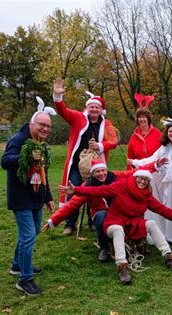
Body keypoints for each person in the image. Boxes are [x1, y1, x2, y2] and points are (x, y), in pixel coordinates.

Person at [59, 170, 172, 285]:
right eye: (141, 178)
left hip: (133, 224)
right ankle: (122, 266)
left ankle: (168, 257)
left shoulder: (146, 195)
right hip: (114, 222)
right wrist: (76, 189)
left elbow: (162, 209)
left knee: (151, 224)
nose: (143, 182)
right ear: (136, 178)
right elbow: (98, 190)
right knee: (118, 229)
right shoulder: (121, 185)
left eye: (146, 180)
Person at [42, 159, 154, 262]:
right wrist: (53, 220)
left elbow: (135, 173)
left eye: (103, 170)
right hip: (100, 212)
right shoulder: (88, 185)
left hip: (117, 211)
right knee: (101, 216)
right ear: (93, 173)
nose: (101, 174)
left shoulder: (115, 176)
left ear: (106, 170)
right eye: (97, 171)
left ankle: (137, 244)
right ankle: (103, 247)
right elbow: (72, 204)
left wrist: (155, 165)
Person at [1, 98, 56, 296]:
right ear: (32, 123)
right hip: (21, 197)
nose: (45, 129)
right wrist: (25, 156)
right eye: (42, 125)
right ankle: (24, 280)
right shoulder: (18, 140)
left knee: (31, 233)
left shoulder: (40, 143)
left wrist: (48, 196)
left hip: (36, 197)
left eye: (48, 126)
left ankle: (17, 265)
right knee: (28, 236)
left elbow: (43, 172)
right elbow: (5, 161)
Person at [53, 78, 118, 236]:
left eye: (97, 107)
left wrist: (100, 146)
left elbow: (114, 141)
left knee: (94, 194)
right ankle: (70, 224)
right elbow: (63, 111)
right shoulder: (78, 118)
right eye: (92, 107)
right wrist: (57, 96)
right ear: (87, 108)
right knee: (73, 191)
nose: (94, 109)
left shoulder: (106, 124)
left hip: (96, 167)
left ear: (101, 110)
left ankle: (93, 221)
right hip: (77, 165)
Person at [129, 119, 172, 245]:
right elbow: (152, 159)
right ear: (167, 133)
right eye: (170, 131)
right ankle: (169, 234)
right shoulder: (164, 148)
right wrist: (135, 162)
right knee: (168, 207)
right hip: (168, 184)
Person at [126, 93, 162, 169]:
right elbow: (130, 158)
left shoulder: (158, 134)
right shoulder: (133, 137)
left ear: (148, 119)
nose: (142, 119)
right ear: (137, 119)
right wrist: (129, 173)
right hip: (139, 173)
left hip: (155, 171)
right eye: (139, 117)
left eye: (144, 117)